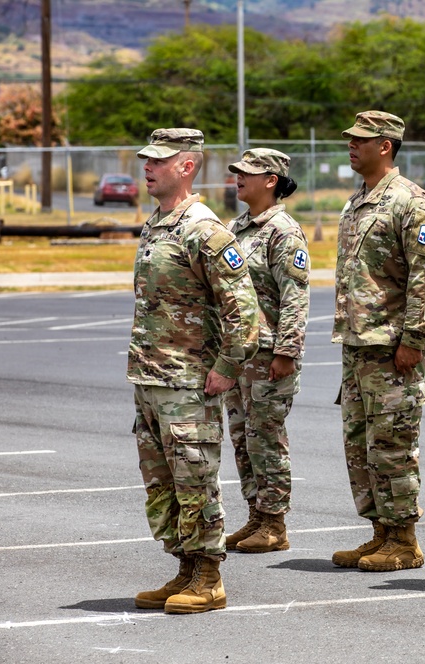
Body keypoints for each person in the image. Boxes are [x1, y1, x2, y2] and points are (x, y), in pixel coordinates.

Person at [128, 128, 259, 614]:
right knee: (162, 483)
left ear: (186, 166)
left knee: (195, 477)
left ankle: (208, 578)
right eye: (146, 159)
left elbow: (244, 312)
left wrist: (227, 367)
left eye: (158, 161)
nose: (148, 167)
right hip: (151, 378)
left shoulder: (204, 230)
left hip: (187, 382)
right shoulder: (157, 224)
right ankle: (183, 567)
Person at [331, 111, 425, 572]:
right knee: (360, 444)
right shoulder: (357, 201)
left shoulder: (410, 202)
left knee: (393, 443)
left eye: (361, 140)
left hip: (392, 346)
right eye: (350, 139)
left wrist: (415, 338)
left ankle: (404, 539)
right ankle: (380, 531)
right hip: (359, 343)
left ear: (386, 146)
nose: (351, 146)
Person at [223, 149, 310, 554]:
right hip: (241, 355)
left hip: (269, 355)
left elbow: (295, 296)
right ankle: (256, 515)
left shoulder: (283, 231)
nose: (239, 178)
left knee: (266, 437)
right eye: (237, 172)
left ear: (271, 180)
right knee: (243, 437)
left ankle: (274, 523)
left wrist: (287, 351)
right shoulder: (239, 226)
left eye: (248, 174)